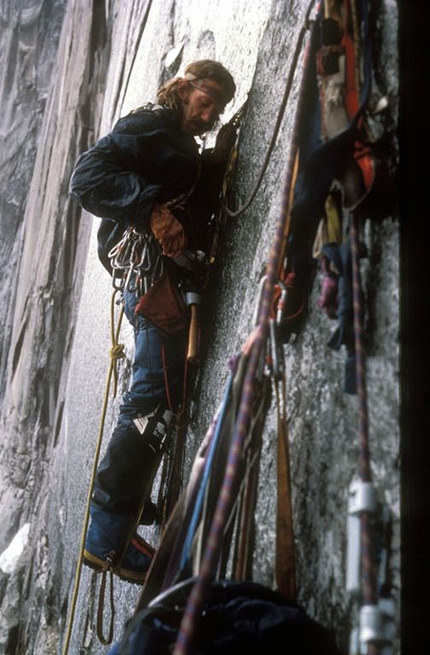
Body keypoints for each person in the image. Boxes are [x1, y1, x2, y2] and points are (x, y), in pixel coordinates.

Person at [69, 60, 237, 584]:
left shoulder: (172, 137)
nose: (208, 114)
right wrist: (150, 211)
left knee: (165, 389)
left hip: (156, 276)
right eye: (205, 100)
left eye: (217, 109)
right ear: (184, 87)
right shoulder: (148, 124)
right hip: (147, 273)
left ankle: (130, 500)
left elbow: (183, 191)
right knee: (149, 398)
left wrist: (215, 162)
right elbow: (86, 177)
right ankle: (106, 537)